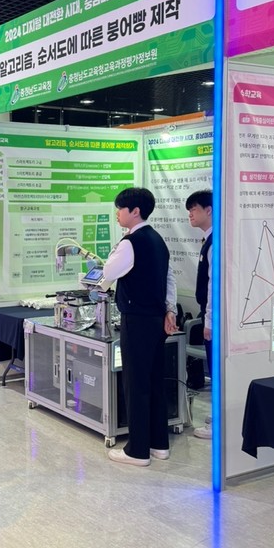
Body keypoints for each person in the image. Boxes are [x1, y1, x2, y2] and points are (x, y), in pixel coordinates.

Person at [101, 187, 178, 466]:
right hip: (156, 319)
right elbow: (169, 278)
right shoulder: (157, 239)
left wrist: (117, 249)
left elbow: (108, 272)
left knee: (135, 383)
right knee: (155, 381)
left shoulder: (130, 242)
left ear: (135, 211)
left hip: (136, 319)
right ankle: (159, 444)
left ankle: (137, 451)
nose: (117, 214)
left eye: (120, 209)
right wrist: (170, 309)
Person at [186, 190, 213, 440]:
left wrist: (210, 321)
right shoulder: (208, 240)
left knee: (217, 372)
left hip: (214, 319)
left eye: (193, 209)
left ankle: (218, 424)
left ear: (209, 210)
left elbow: (215, 285)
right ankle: (217, 419)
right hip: (208, 315)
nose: (190, 215)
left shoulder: (216, 243)